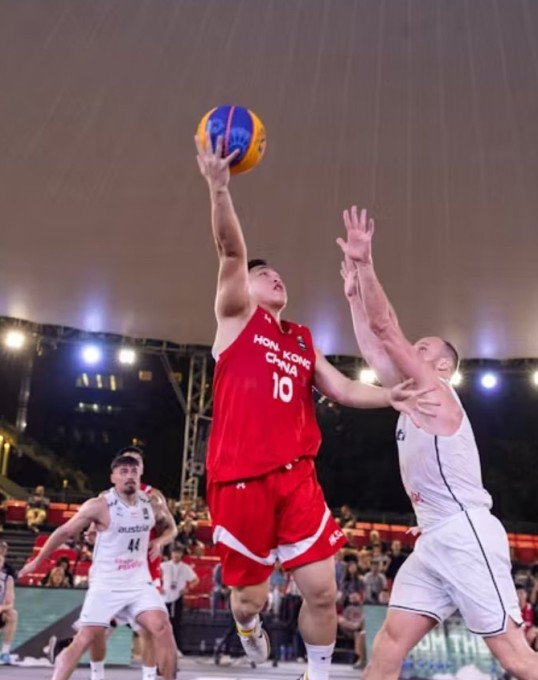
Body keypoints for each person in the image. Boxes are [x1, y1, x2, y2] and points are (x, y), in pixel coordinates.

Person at [193, 134, 429, 680]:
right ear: (245, 288)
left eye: (277, 275)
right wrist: (219, 190)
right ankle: (248, 629)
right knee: (249, 599)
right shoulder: (235, 320)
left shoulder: (301, 339)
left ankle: (317, 675)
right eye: (263, 274)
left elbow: (343, 389)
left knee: (323, 593)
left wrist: (389, 396)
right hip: (240, 477)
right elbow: (230, 251)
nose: (275, 277)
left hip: (297, 476)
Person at [337, 206, 538, 680]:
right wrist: (352, 297)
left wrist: (365, 267)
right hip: (433, 539)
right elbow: (372, 346)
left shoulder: (435, 392)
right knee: (389, 641)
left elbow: (386, 330)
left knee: (515, 657)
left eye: (422, 349)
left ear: (442, 367)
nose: (412, 352)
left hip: (466, 533)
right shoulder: (408, 395)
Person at [20, 454, 177, 680]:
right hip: (107, 582)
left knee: (162, 628)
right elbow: (64, 532)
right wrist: (36, 561)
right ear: (113, 477)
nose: (129, 476)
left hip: (139, 581)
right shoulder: (100, 505)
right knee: (86, 638)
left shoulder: (152, 504)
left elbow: (171, 527)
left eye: (133, 471)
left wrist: (161, 541)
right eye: (123, 472)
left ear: (140, 473)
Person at [161, 545, 198, 650]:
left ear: (181, 554)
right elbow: (154, 576)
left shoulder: (185, 567)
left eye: (178, 553)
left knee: (176, 623)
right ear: (171, 554)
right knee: (163, 622)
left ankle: (176, 647)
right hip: (164, 598)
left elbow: (195, 580)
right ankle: (163, 646)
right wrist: (158, 587)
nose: (176, 555)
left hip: (177, 597)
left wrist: (187, 589)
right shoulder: (163, 566)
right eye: (174, 552)